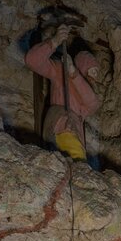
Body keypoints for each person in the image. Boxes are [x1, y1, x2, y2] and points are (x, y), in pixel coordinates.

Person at [25, 23, 100, 161]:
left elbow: (93, 104)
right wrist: (54, 41)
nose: (95, 77)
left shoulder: (84, 88)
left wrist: (74, 74)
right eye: (93, 70)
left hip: (74, 131)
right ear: (84, 65)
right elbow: (32, 60)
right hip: (61, 124)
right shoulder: (61, 71)